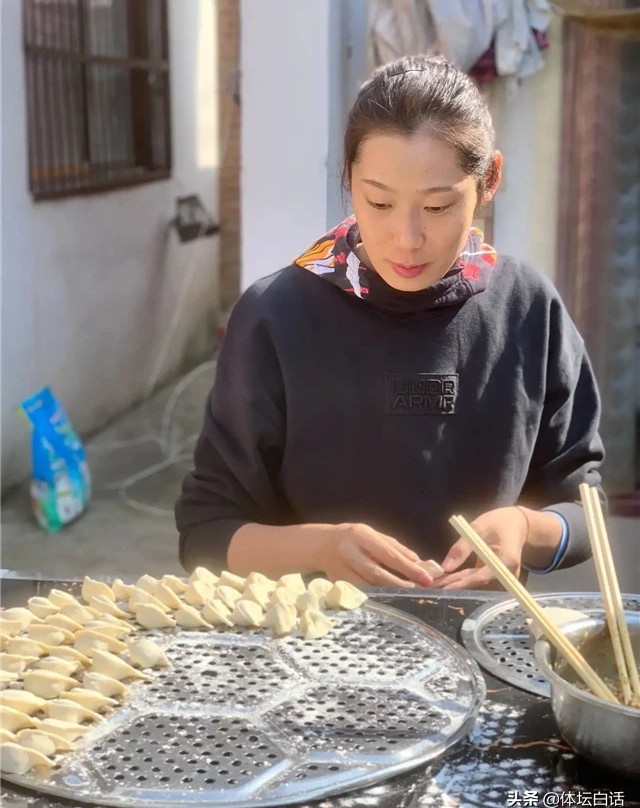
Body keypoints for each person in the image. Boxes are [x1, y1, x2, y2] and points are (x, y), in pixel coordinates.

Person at [175, 54, 604, 590]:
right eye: (379, 202)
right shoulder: (275, 317)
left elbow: (584, 508)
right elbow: (205, 531)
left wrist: (523, 527)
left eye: (438, 206)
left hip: (480, 645)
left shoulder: (529, 310)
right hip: (314, 650)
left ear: (489, 178)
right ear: (348, 178)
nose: (406, 238)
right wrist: (323, 548)